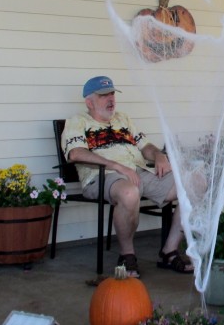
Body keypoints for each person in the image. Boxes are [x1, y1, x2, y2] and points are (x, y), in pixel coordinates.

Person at [61, 75, 192, 278]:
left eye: (112, 93)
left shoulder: (124, 120)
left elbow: (145, 146)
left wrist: (159, 155)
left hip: (137, 172)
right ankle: (127, 255)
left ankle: (169, 251)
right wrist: (117, 166)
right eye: (104, 95)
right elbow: (75, 153)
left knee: (193, 184)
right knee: (130, 193)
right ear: (89, 102)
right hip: (102, 176)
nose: (111, 99)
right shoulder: (78, 122)